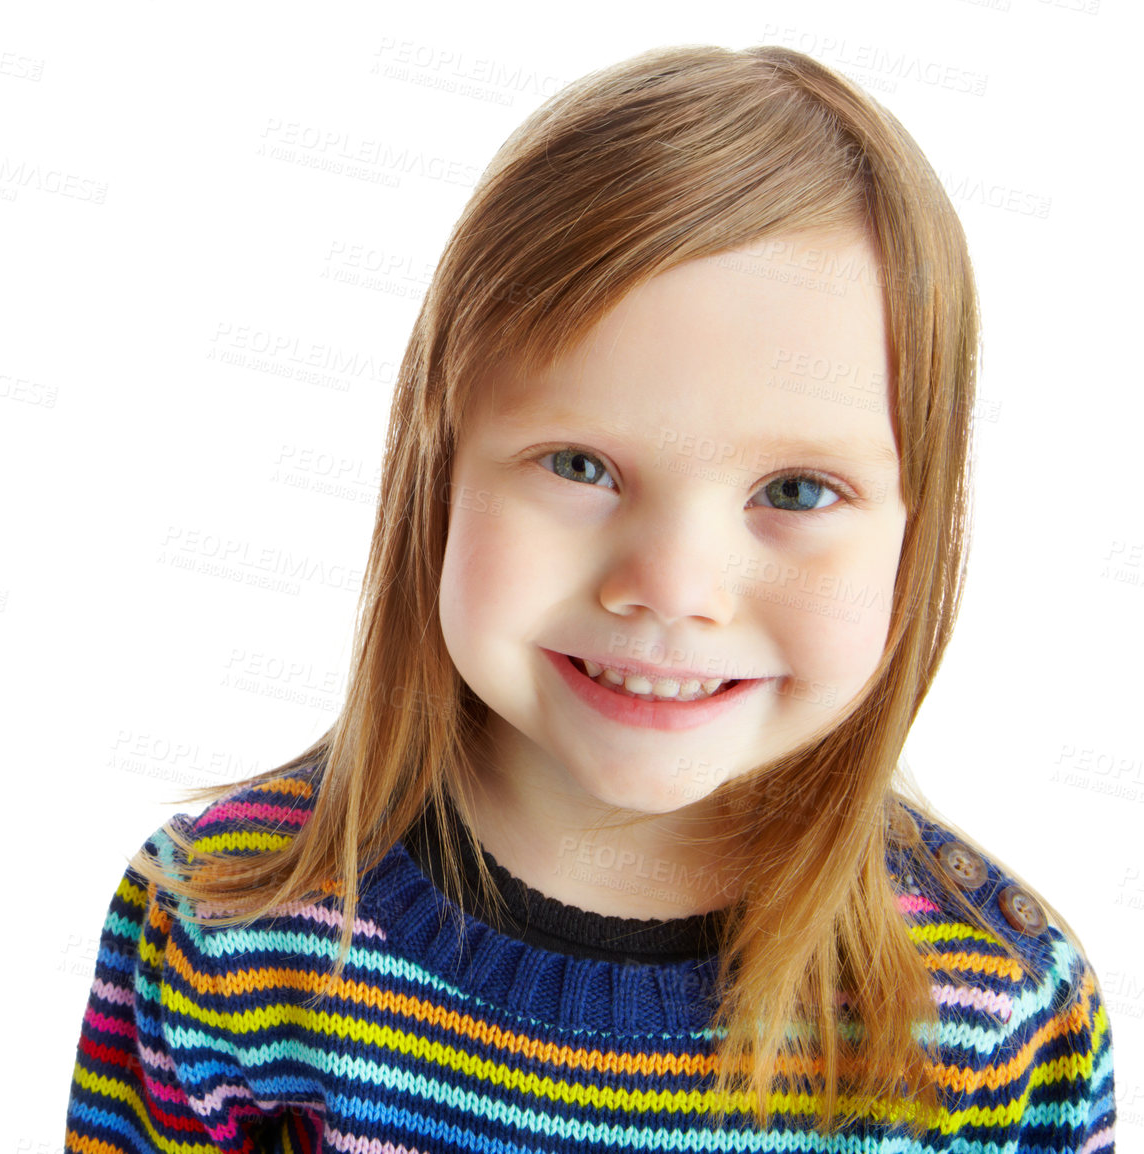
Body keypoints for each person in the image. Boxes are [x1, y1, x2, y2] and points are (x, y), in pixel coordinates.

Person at [62, 42, 1115, 1152]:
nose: (669, 586)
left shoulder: (1000, 1015)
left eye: (795, 489)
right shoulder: (228, 917)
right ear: (440, 469)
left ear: (922, 530)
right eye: (578, 465)